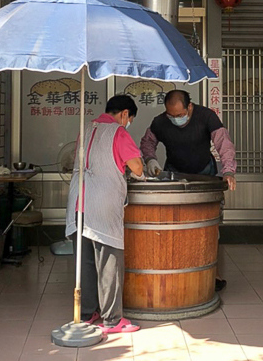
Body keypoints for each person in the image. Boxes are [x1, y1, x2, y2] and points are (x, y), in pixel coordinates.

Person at [140, 89, 237, 291]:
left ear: (189, 107)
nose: (175, 119)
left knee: (209, 226)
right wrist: (150, 159)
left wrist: (228, 171)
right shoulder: (160, 122)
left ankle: (213, 273)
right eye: (171, 115)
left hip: (205, 173)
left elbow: (224, 143)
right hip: (174, 173)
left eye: (179, 115)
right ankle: (174, 268)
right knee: (173, 223)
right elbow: (147, 142)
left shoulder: (206, 116)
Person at [65, 95, 143, 334]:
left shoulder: (86, 128)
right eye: (129, 118)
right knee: (109, 261)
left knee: (85, 261)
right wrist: (141, 170)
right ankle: (112, 320)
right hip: (103, 203)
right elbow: (136, 166)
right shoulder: (118, 133)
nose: (128, 123)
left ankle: (88, 314)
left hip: (79, 201)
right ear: (124, 114)